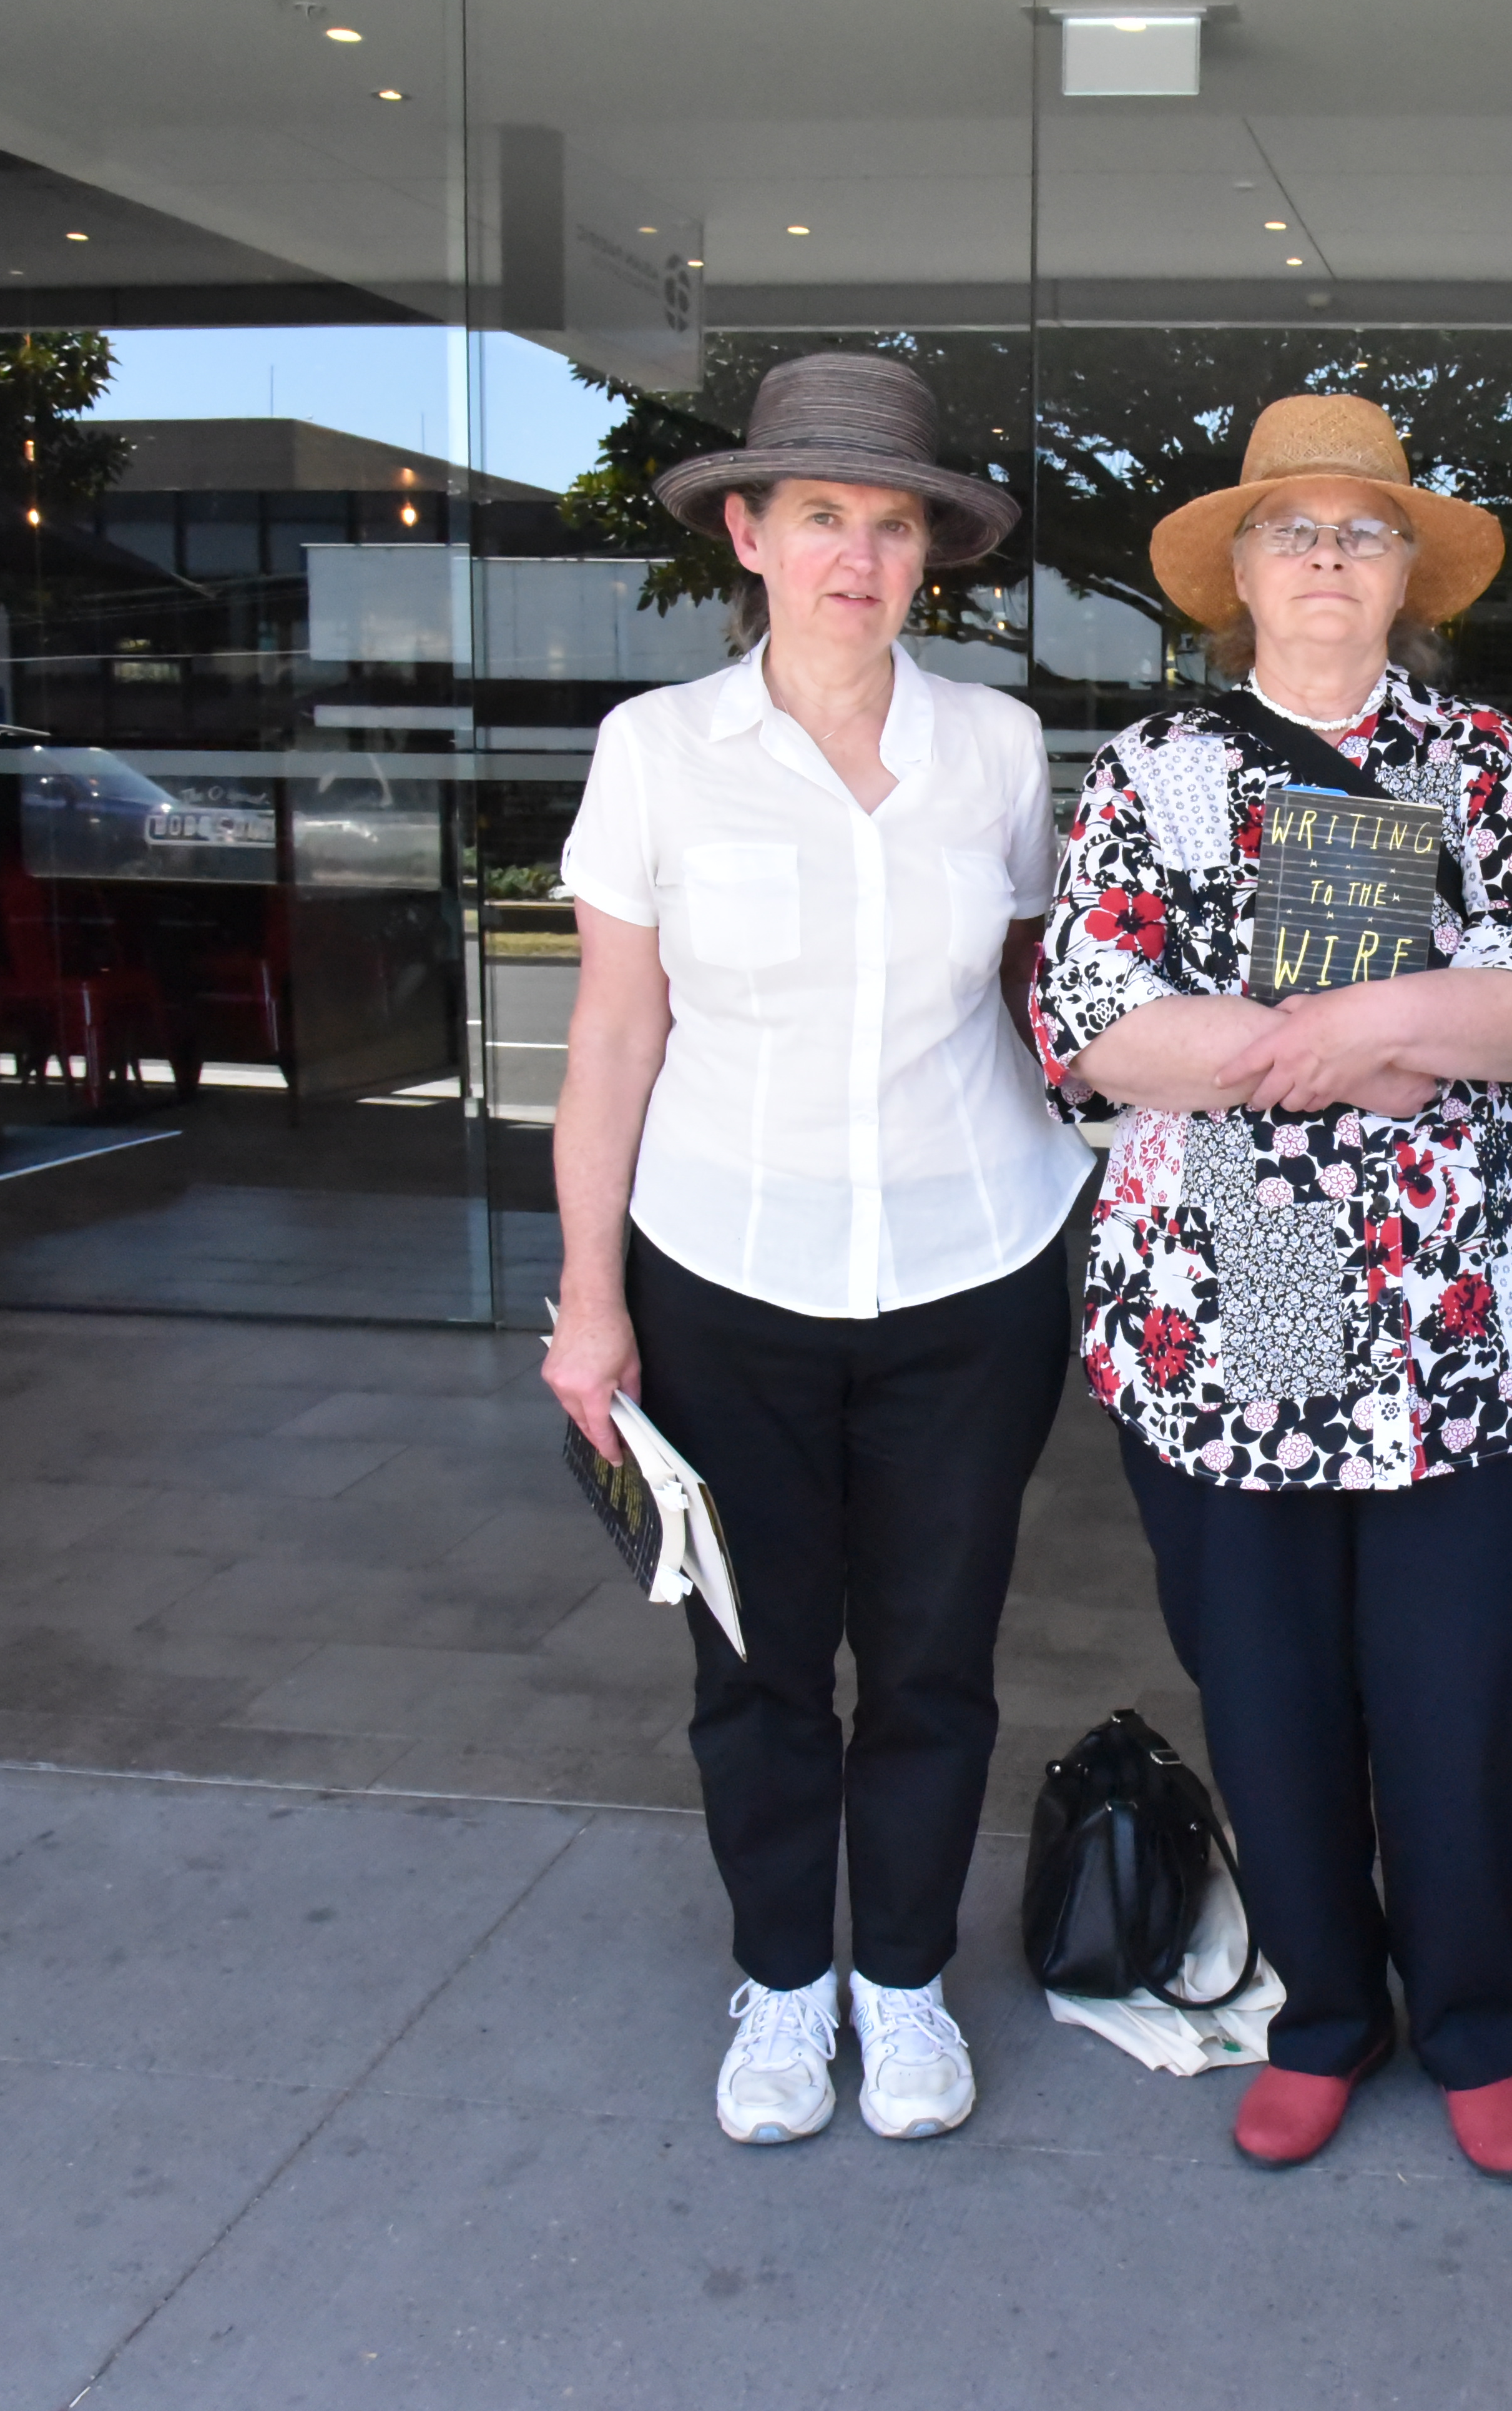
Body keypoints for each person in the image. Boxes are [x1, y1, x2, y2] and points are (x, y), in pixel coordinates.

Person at [1031, 393, 1512, 2178]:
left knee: (1459, 1691)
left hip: (1470, 1305)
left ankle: (1475, 2019)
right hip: (1243, 1282)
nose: (1332, 559)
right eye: (1298, 532)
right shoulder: (1154, 767)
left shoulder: (1490, 760)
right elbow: (1100, 1024)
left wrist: (1341, 1026)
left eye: (1365, 532)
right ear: (1244, 577)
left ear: (1409, 574)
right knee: (1275, 1688)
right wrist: (1380, 1055)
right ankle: (1326, 2012)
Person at [541, 353, 1086, 2148]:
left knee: (932, 1654)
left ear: (928, 554)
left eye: (892, 522)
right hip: (723, 1271)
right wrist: (592, 1302)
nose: (858, 555)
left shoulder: (995, 750)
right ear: (752, 536)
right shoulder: (658, 754)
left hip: (971, 1267)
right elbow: (615, 1038)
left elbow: (1035, 1001)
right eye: (823, 517)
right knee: (758, 1662)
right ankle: (783, 1982)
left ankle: (905, 1979)